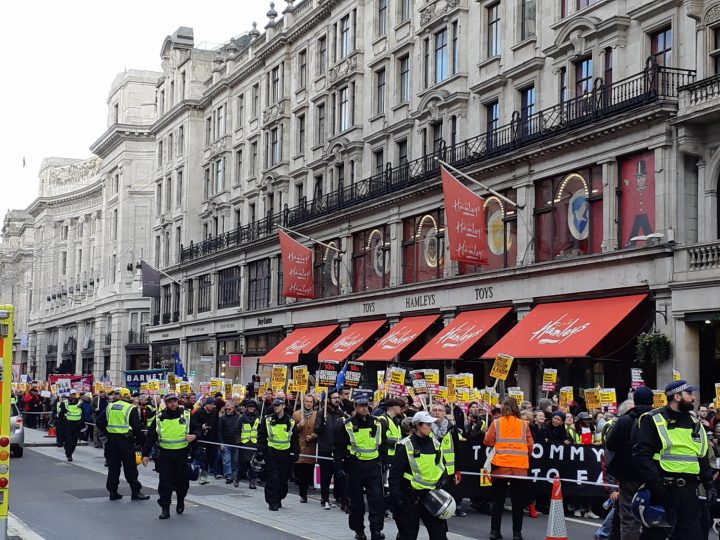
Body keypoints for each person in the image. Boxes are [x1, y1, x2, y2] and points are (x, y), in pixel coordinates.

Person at [633, 380, 715, 539]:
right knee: (656, 535)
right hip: (663, 490)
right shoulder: (653, 419)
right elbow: (641, 454)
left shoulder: (695, 424)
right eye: (689, 394)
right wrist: (656, 483)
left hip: (689, 492)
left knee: (693, 535)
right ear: (677, 397)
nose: (693, 398)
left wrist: (709, 485)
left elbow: (702, 457)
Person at [389, 411, 450, 540]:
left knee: (439, 535)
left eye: (431, 424)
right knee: (408, 535)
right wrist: (397, 498)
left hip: (431, 496)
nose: (430, 427)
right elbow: (395, 475)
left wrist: (444, 480)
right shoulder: (405, 446)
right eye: (427, 424)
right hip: (410, 498)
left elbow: (441, 466)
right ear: (418, 425)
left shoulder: (435, 444)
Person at [604, 387, 653, 540]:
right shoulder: (658, 419)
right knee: (652, 516)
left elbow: (610, 445)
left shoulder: (624, 420)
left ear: (635, 402)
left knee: (629, 517)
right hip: (652, 474)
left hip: (629, 474)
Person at [334, 397, 386, 540]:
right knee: (356, 502)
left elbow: (383, 444)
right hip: (355, 466)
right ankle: (359, 530)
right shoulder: (348, 425)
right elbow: (338, 447)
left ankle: (376, 530)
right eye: (361, 406)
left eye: (366, 405)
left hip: (374, 465)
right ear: (355, 407)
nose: (364, 408)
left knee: (377, 500)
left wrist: (385, 461)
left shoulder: (377, 423)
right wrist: (339, 467)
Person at [485, 397, 534, 540]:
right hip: (519, 468)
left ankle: (495, 532)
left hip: (500, 466)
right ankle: (517, 533)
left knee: (498, 501)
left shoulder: (496, 423)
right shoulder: (524, 424)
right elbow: (531, 446)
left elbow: (487, 441)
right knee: (518, 503)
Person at [141, 393, 196, 519]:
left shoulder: (186, 415)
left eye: (175, 401)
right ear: (166, 403)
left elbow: (197, 429)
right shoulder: (159, 417)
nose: (173, 404)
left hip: (182, 454)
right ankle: (165, 508)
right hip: (165, 455)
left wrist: (195, 435)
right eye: (170, 402)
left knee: (182, 483)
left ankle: (181, 500)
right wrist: (145, 454)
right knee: (165, 484)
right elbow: (151, 437)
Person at [95, 387, 149, 501]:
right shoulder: (130, 408)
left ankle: (113, 492)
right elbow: (137, 428)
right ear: (128, 396)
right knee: (130, 468)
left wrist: (107, 432)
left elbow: (99, 421)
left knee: (113, 468)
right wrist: (141, 441)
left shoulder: (110, 406)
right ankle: (135, 492)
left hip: (111, 441)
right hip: (126, 441)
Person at [257, 398, 299, 511]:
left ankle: (279, 498)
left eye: (278, 405)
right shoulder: (267, 420)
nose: (275, 407)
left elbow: (295, 438)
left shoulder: (291, 421)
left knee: (283, 479)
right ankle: (272, 502)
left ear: (283, 406)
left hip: (285, 454)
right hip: (271, 453)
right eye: (274, 405)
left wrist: (296, 452)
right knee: (272, 478)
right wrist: (260, 451)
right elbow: (261, 436)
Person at [430, 402, 466, 517]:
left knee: (447, 493)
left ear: (445, 413)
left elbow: (457, 450)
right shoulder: (427, 427)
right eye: (434, 410)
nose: (437, 413)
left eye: (440, 410)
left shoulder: (452, 429)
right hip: (432, 467)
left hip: (448, 468)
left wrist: (458, 470)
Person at [316, 390, 346, 509]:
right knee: (326, 475)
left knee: (339, 475)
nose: (337, 400)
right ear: (328, 400)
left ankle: (338, 497)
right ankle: (325, 498)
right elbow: (317, 430)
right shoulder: (322, 413)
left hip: (338, 450)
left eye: (338, 397)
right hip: (325, 448)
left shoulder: (341, 414)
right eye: (334, 398)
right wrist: (321, 424)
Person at [292, 394, 318, 503]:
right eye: (307, 401)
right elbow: (291, 430)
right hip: (300, 447)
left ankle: (304, 491)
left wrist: (313, 436)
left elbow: (319, 430)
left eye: (311, 402)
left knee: (308, 472)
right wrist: (298, 426)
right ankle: (302, 493)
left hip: (311, 448)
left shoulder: (317, 415)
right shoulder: (296, 414)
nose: (309, 404)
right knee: (300, 472)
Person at [190, 396, 218, 484]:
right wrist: (201, 426)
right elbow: (193, 424)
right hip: (200, 439)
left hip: (211, 439)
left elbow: (216, 424)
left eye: (214, 405)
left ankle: (203, 476)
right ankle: (195, 474)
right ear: (207, 404)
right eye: (211, 404)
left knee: (207, 459)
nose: (212, 406)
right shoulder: (198, 413)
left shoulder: (215, 412)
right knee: (199, 457)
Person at [238, 400, 260, 488]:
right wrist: (238, 442)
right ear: (247, 408)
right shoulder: (242, 417)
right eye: (249, 406)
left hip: (254, 443)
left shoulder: (258, 418)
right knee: (243, 463)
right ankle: (238, 477)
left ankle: (252, 481)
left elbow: (260, 431)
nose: (251, 408)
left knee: (252, 463)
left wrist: (259, 442)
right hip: (244, 443)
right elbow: (237, 430)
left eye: (252, 407)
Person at [218, 400, 241, 484]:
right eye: (226, 409)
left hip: (236, 443)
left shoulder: (238, 417)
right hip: (226, 442)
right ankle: (228, 476)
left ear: (233, 408)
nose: (227, 410)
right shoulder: (222, 418)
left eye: (229, 409)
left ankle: (234, 476)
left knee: (235, 461)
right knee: (226, 460)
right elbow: (219, 431)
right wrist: (221, 442)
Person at [58, 391, 83, 462]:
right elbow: (61, 413)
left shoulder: (79, 402)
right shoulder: (65, 402)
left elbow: (82, 412)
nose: (73, 395)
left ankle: (70, 452)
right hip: (68, 424)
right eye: (72, 394)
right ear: (70, 395)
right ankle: (69, 455)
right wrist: (60, 423)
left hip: (77, 424)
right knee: (69, 440)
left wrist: (82, 422)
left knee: (74, 441)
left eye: (74, 394)